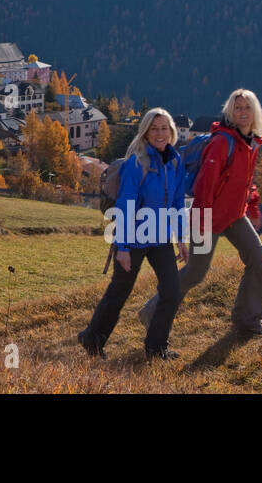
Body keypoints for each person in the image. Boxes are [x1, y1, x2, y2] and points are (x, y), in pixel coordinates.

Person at [137, 88, 262, 335]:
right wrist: (199, 224)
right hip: (208, 218)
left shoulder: (250, 142)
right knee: (194, 274)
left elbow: (246, 181)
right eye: (237, 108)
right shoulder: (222, 142)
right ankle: (151, 313)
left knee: (260, 262)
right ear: (230, 112)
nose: (243, 112)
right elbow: (205, 187)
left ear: (255, 112)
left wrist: (251, 206)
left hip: (235, 216)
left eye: (247, 107)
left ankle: (247, 319)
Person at [78, 108, 188, 361]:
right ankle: (92, 338)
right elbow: (126, 207)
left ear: (171, 132)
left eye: (164, 128)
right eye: (154, 128)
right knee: (120, 291)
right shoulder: (137, 163)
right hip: (134, 239)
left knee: (172, 290)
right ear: (146, 132)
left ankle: (156, 346)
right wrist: (123, 248)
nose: (160, 134)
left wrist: (181, 238)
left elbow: (178, 203)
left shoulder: (175, 161)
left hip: (160, 239)